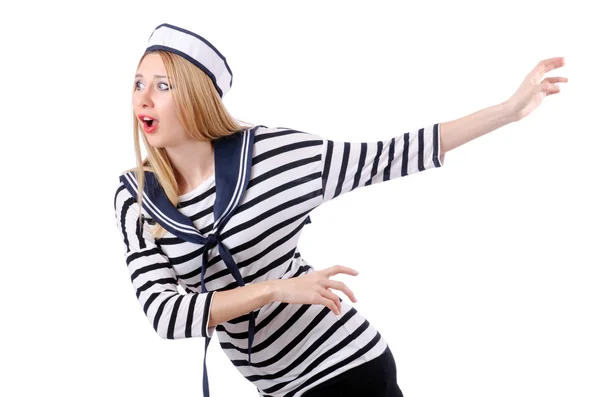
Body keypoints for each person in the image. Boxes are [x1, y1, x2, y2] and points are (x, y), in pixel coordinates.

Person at [113, 23, 567, 397]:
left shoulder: (271, 157)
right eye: (138, 83)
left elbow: (389, 155)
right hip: (281, 389)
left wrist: (508, 111)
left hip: (348, 368)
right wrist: (275, 290)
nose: (142, 98)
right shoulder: (136, 198)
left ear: (195, 96)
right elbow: (165, 315)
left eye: (162, 85)